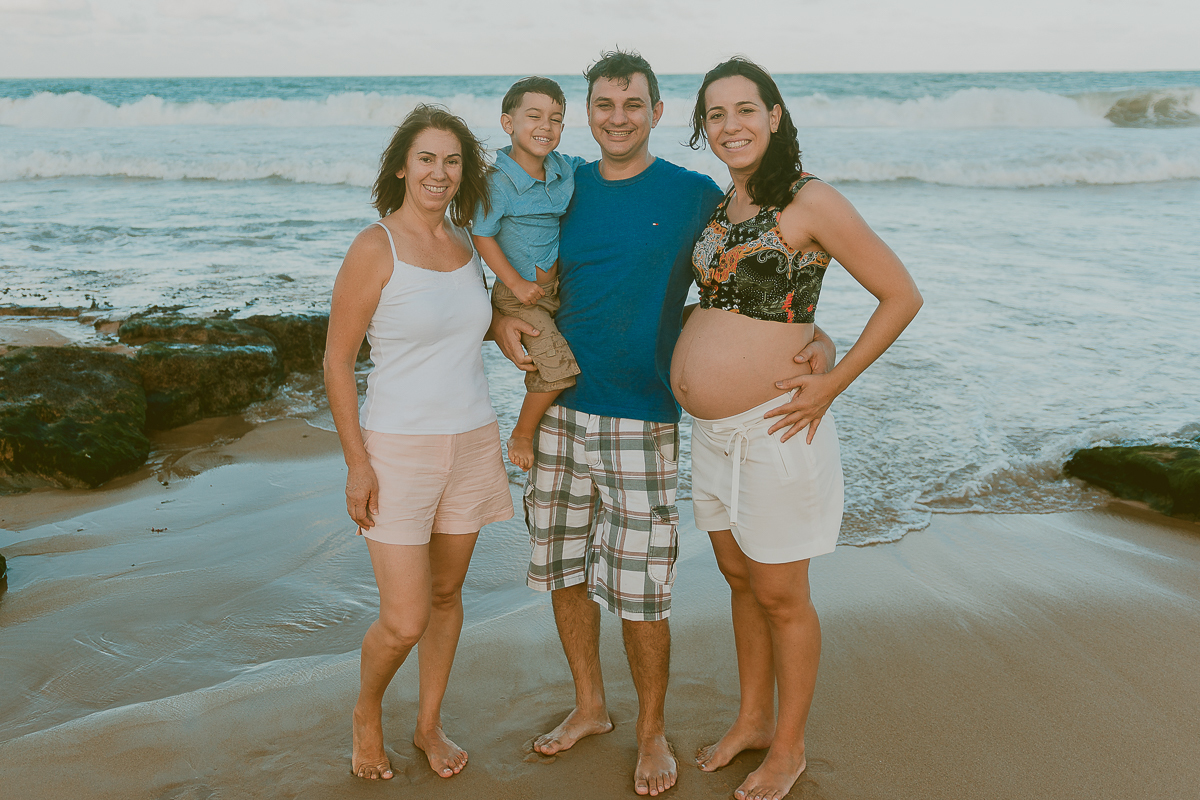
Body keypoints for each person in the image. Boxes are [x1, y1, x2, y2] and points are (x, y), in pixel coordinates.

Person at [490, 50, 836, 797]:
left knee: (644, 589)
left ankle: (650, 731)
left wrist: (815, 337)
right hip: (558, 413)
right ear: (588, 113)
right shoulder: (561, 185)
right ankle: (589, 707)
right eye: (604, 105)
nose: (618, 117)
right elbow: (515, 269)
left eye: (633, 104)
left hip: (644, 416)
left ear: (655, 112)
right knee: (563, 571)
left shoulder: (694, 194)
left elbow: (751, 277)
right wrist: (498, 317)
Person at [675, 57, 923, 800]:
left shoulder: (811, 200)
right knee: (739, 580)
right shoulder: (724, 206)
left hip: (778, 428)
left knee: (782, 595)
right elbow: (733, 307)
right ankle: (753, 719)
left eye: (745, 110)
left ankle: (789, 747)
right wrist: (819, 335)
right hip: (714, 438)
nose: (731, 126)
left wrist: (831, 382)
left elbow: (901, 295)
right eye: (716, 115)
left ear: (775, 115)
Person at [323, 104, 514, 782]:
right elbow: (337, 361)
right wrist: (356, 464)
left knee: (446, 594)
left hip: (471, 441)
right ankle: (367, 712)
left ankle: (429, 724)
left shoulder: (467, 244)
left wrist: (512, 331)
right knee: (403, 619)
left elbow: (472, 328)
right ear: (402, 165)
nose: (440, 172)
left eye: (453, 160)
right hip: (396, 451)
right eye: (427, 158)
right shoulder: (376, 246)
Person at [470, 76, 585, 471]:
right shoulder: (498, 183)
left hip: (556, 290)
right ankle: (522, 431)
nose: (545, 126)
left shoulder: (564, 169)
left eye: (556, 118)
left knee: (557, 356)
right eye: (533, 115)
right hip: (517, 295)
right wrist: (516, 285)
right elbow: (482, 235)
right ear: (508, 123)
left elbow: (600, 174)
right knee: (556, 369)